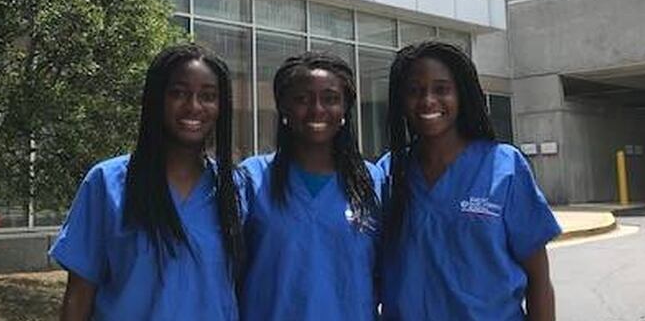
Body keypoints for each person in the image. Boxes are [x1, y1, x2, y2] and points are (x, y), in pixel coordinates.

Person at [50, 44, 244, 321]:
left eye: (208, 96)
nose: (193, 105)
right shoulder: (107, 183)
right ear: (157, 99)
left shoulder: (234, 190)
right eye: (178, 93)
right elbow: (79, 294)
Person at [378, 40, 561, 321]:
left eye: (441, 89)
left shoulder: (504, 166)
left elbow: (539, 280)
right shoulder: (388, 174)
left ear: (461, 95)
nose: (428, 100)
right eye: (414, 91)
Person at [238, 51, 383, 321]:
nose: (317, 109)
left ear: (345, 109)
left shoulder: (372, 182)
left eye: (330, 99)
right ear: (283, 107)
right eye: (302, 99)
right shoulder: (252, 179)